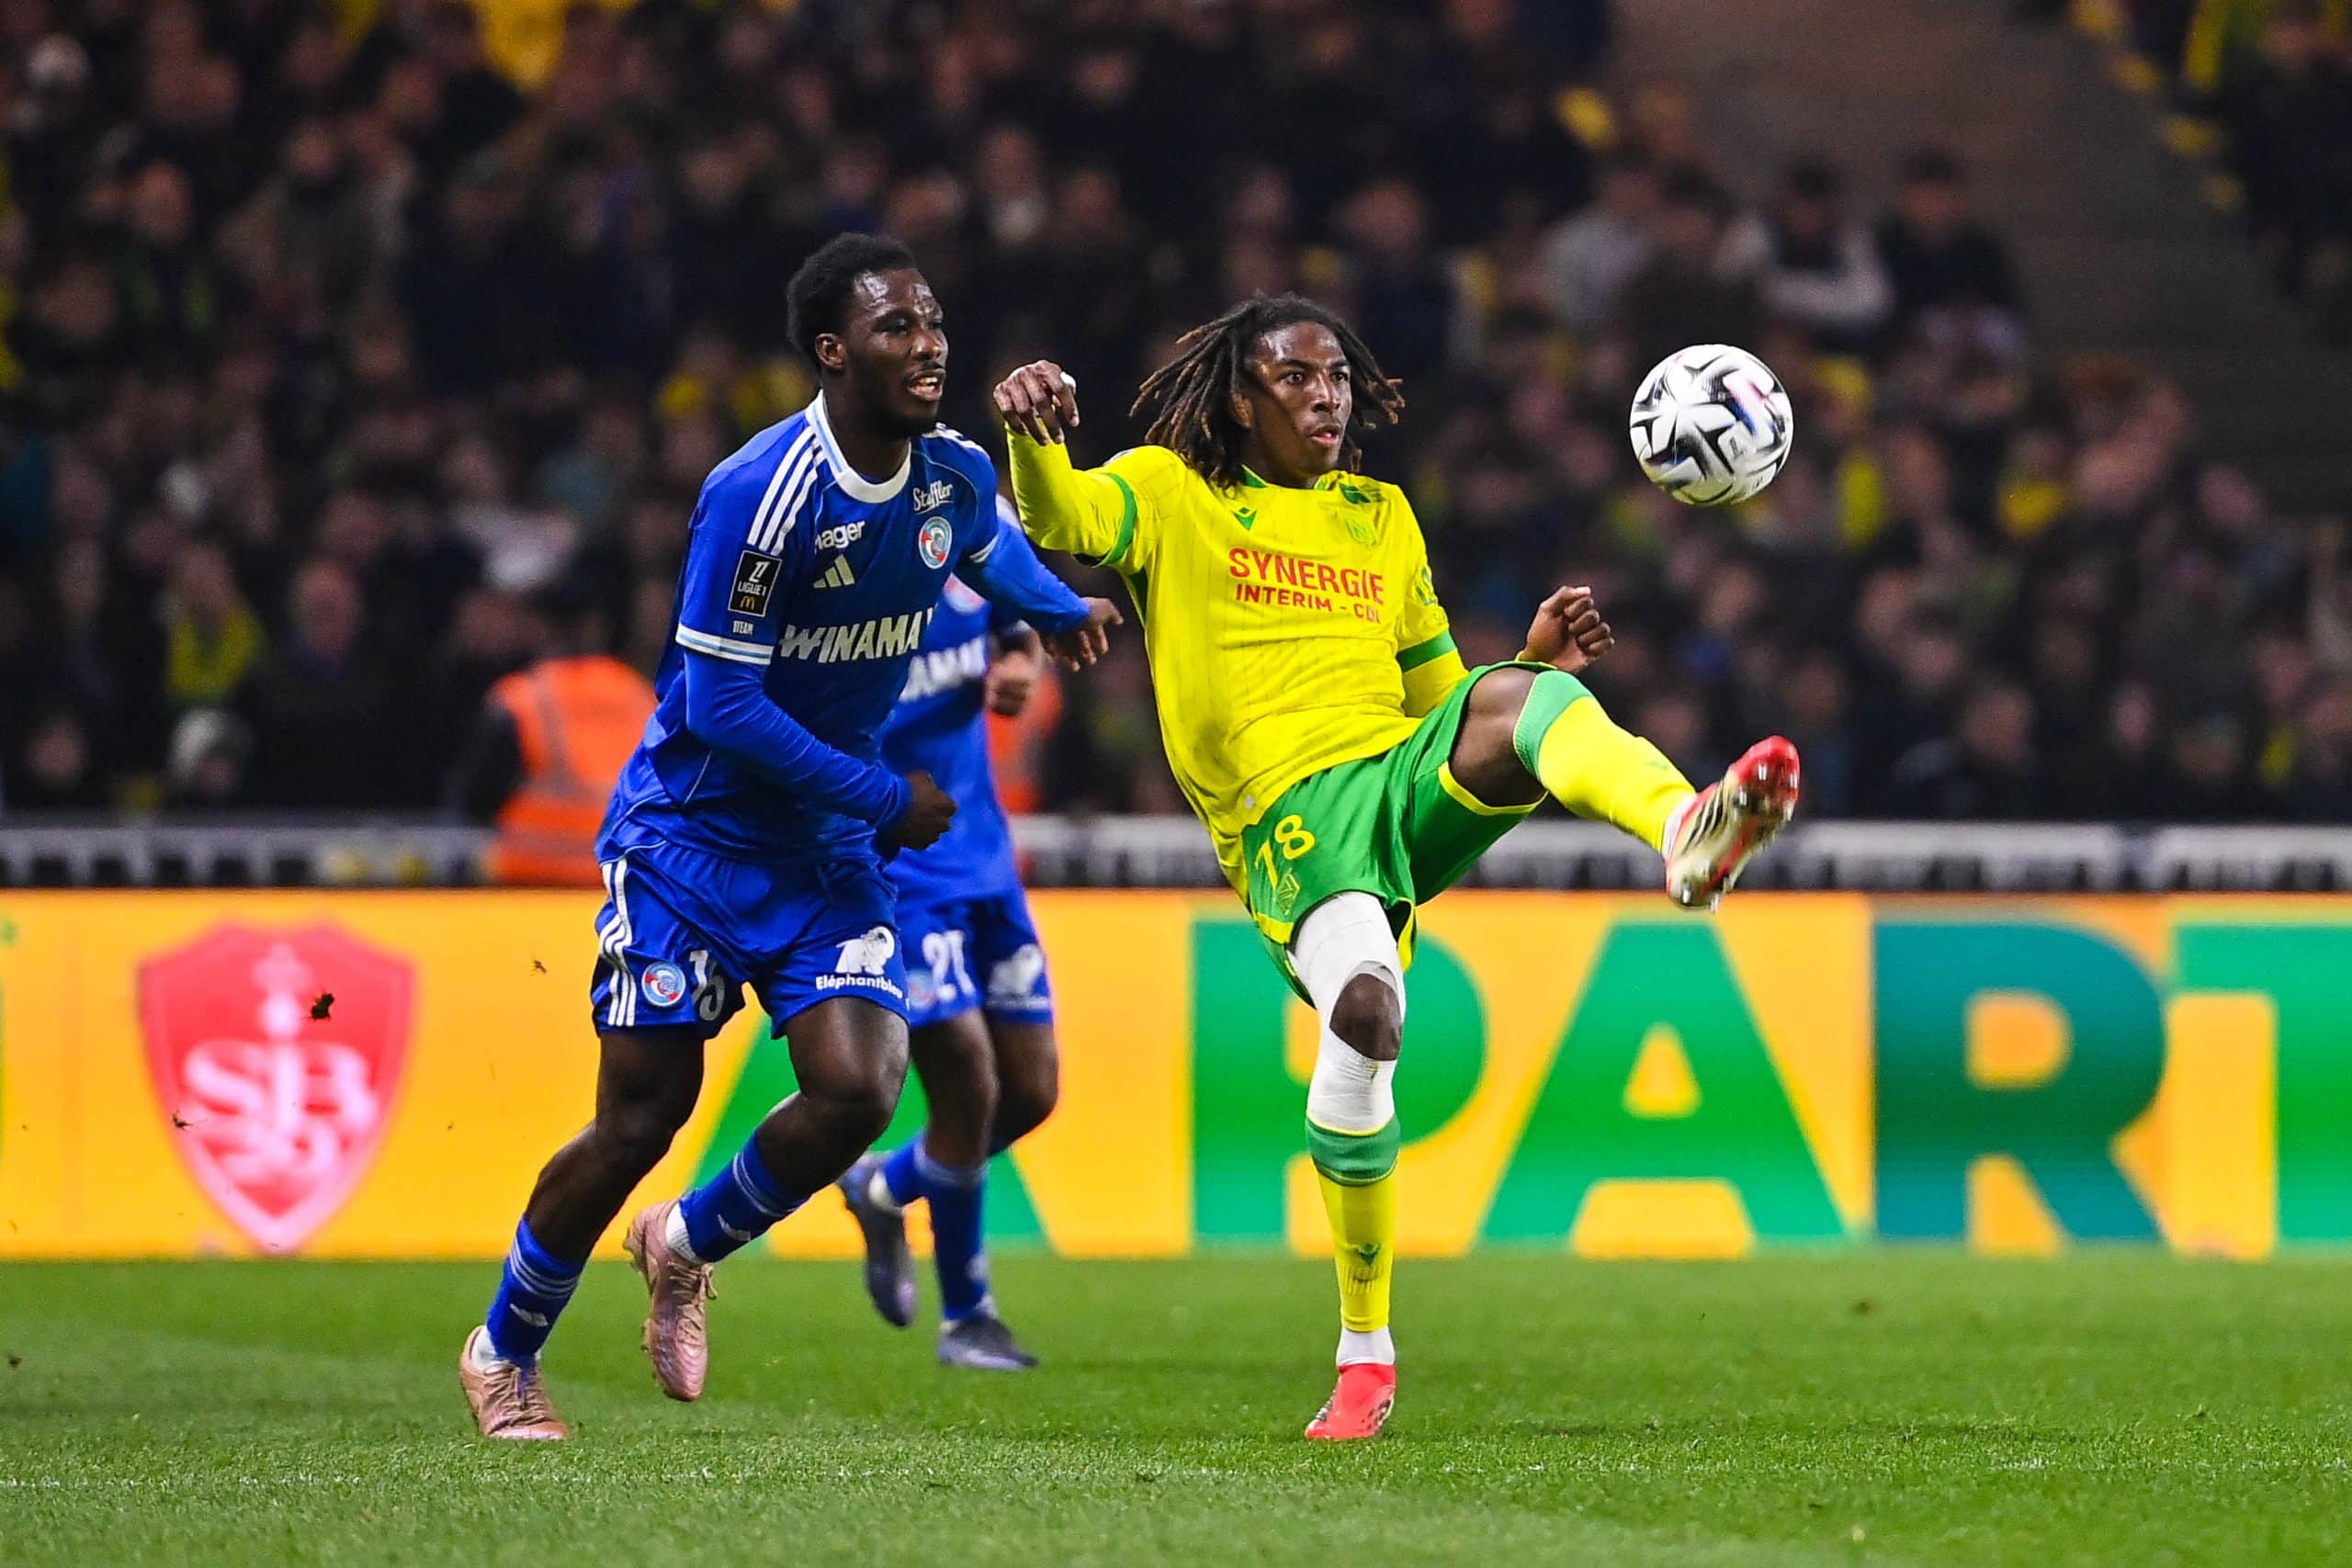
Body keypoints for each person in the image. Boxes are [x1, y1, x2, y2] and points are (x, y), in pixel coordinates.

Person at [991, 295, 1799, 1440]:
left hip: (1392, 779)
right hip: (1286, 817)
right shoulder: (1174, 493)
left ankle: (1684, 834)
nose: (1325, 398)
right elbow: (1063, 515)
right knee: (1366, 1020)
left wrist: (1520, 665)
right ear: (1239, 398)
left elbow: (1436, 703)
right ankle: (1364, 1350)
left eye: (1336, 380)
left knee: (1532, 698)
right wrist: (1033, 431)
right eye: (1295, 379)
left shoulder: (1382, 516)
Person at [458, 233, 1120, 1440]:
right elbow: (720, 702)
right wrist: (878, 794)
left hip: (821, 851)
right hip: (692, 839)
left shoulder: (953, 474)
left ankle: (684, 1240)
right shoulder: (760, 492)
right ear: (833, 350)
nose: (928, 349)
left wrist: (1056, 604)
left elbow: (990, 545)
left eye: (933, 324)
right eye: (895, 329)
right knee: (642, 1117)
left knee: (862, 1087)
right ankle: (504, 1344)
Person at [837, 502, 1063, 1371]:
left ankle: (885, 1185)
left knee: (1032, 1093)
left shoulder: (974, 514)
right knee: (966, 1078)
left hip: (983, 855)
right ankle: (968, 1313)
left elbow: (1021, 626)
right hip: (892, 861)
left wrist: (1021, 662)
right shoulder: (835, 545)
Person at [444, 583, 657, 886]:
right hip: (627, 886)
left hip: (535, 885)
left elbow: (473, 801)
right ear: (597, 627)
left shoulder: (521, 701)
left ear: (539, 628)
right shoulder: (641, 696)